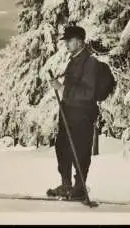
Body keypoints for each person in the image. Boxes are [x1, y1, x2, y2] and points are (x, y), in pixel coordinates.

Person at [47, 25, 99, 199]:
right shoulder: (73, 60)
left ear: (79, 41)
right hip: (68, 112)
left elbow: (88, 92)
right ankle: (66, 184)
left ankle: (79, 188)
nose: (66, 44)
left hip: (83, 115)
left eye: (69, 41)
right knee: (62, 147)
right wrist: (61, 86)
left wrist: (62, 89)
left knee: (81, 150)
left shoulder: (90, 62)